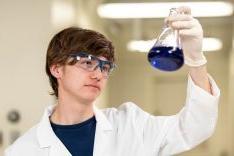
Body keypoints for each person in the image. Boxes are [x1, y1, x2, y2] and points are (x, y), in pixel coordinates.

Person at [5, 6, 220, 156]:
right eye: (87, 63)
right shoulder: (22, 151)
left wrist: (196, 59)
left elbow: (194, 127)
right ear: (56, 68)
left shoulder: (131, 126)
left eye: (105, 66)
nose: (98, 74)